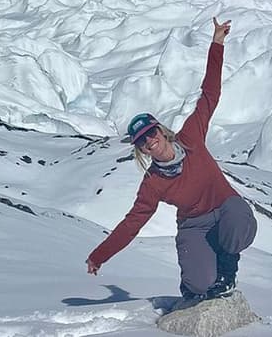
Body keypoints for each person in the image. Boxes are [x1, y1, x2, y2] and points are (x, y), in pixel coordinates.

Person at [85, 17, 257, 306]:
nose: (149, 140)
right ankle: (198, 272)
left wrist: (217, 44)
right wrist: (99, 256)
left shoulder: (191, 137)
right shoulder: (153, 183)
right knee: (199, 286)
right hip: (194, 225)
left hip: (226, 208)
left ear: (161, 131)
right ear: (141, 150)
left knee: (240, 219)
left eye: (151, 133)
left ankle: (228, 267)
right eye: (142, 140)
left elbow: (210, 95)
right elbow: (132, 224)